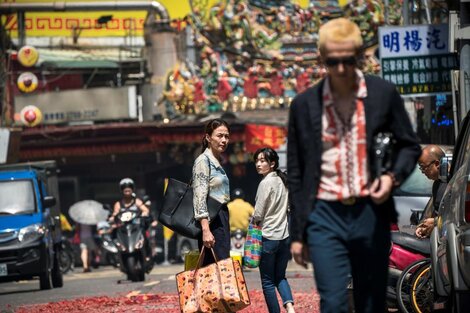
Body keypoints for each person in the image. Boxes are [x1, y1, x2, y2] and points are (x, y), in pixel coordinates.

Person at [287, 18, 421, 313]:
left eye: (348, 60)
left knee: (370, 301)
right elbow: (296, 174)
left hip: (369, 212)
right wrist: (298, 235)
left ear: (359, 56)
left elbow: (409, 146)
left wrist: (391, 178)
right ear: (321, 58)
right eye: (333, 61)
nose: (341, 69)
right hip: (324, 214)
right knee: (333, 302)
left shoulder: (382, 94)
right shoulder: (303, 105)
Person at [253, 147, 295, 313]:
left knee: (268, 282)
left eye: (262, 161)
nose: (258, 164)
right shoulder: (282, 180)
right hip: (284, 237)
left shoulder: (265, 183)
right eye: (257, 160)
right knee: (280, 276)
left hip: (268, 237)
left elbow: (258, 213)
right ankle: (290, 307)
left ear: (272, 163)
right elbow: (290, 207)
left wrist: (254, 219)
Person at [193, 118, 231, 266]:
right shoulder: (203, 161)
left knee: (220, 268)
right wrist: (205, 229)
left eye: (226, 136)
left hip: (221, 217)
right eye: (219, 135)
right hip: (211, 220)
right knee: (215, 269)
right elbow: (199, 196)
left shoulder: (216, 161)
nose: (224, 140)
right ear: (208, 138)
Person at [415, 145, 446, 238]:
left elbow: (457, 218)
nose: (422, 172)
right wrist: (424, 227)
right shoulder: (437, 184)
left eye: (424, 167)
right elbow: (434, 213)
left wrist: (436, 222)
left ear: (437, 164)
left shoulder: (455, 184)